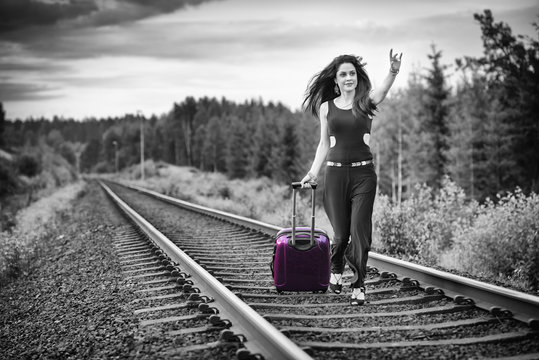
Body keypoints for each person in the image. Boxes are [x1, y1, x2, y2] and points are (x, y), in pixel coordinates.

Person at [300, 49, 402, 305]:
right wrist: (312, 172)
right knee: (341, 234)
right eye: (343, 74)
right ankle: (336, 268)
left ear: (357, 77)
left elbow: (383, 92)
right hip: (334, 175)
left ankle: (358, 285)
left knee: (360, 233)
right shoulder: (326, 108)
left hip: (363, 175)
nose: (348, 78)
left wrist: (392, 71)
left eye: (352, 74)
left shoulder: (365, 102)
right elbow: (324, 144)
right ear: (335, 80)